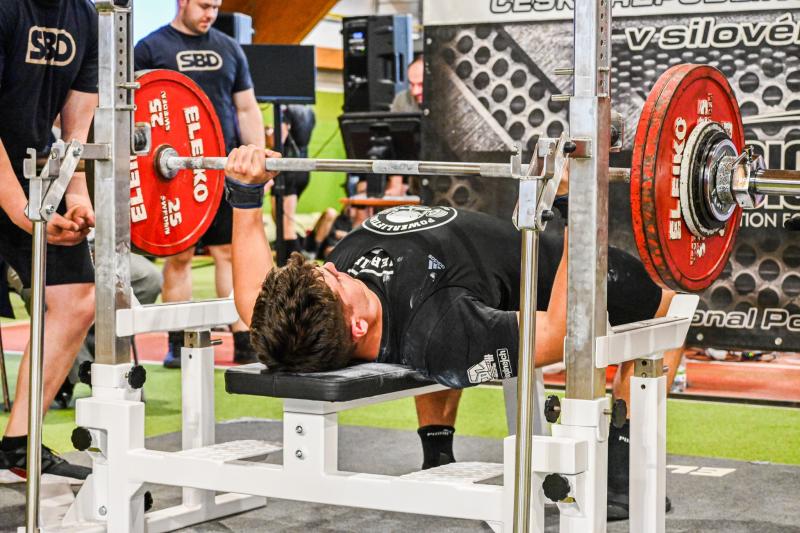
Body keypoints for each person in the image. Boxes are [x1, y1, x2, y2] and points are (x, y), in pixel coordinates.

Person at [225, 145, 682, 519]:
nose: (330, 267)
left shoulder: (302, 315)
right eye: (336, 280)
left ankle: (437, 456)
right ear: (358, 325)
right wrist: (576, 207)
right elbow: (560, 331)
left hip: (470, 262)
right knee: (666, 303)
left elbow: (251, 301)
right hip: (547, 264)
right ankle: (624, 468)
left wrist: (246, 193)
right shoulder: (440, 330)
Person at [134, 0, 266, 367]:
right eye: (204, 5)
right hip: (172, 171)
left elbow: (246, 108)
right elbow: (134, 107)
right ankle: (178, 341)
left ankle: (244, 337)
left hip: (223, 167)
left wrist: (257, 158)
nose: (210, 13)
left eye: (215, 6)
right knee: (180, 257)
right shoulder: (150, 47)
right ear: (183, 2)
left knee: (229, 253)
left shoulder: (229, 48)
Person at [0, 0, 99, 482]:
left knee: (76, 298)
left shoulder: (85, 15)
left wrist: (74, 193)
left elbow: (76, 128)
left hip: (34, 172)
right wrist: (19, 209)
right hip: (10, 178)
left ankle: (18, 444)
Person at [272, 105, 316, 255]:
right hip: (303, 167)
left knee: (286, 225)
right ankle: (293, 260)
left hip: (288, 170)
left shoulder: (286, 110)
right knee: (284, 221)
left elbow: (279, 141)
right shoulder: (310, 112)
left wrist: (268, 135)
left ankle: (296, 265)